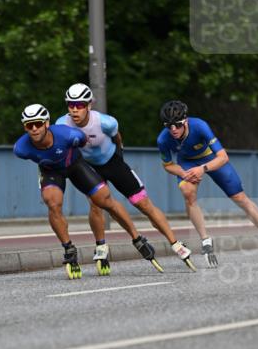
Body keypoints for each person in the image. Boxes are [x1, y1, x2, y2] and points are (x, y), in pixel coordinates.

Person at [55, 83, 195, 274]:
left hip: (113, 163)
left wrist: (120, 155)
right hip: (89, 168)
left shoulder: (105, 122)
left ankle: (176, 243)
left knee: (143, 204)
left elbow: (117, 137)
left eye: (79, 105)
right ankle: (101, 247)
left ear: (88, 105)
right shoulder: (62, 124)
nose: (74, 109)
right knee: (96, 205)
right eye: (70, 104)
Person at [13, 103, 162, 279]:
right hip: (51, 171)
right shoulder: (21, 149)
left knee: (104, 200)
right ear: (25, 127)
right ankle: (69, 249)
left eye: (38, 123)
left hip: (75, 165)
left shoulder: (67, 134)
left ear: (47, 124)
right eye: (29, 125)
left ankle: (137, 238)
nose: (34, 129)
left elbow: (85, 143)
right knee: (52, 203)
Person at [157, 100, 258, 266]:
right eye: (168, 126)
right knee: (188, 194)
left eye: (177, 125)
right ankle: (205, 241)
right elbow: (168, 165)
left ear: (186, 120)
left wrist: (202, 169)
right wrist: (185, 173)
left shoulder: (199, 126)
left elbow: (223, 157)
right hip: (187, 163)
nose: (173, 130)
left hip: (211, 159)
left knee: (239, 197)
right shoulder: (163, 139)